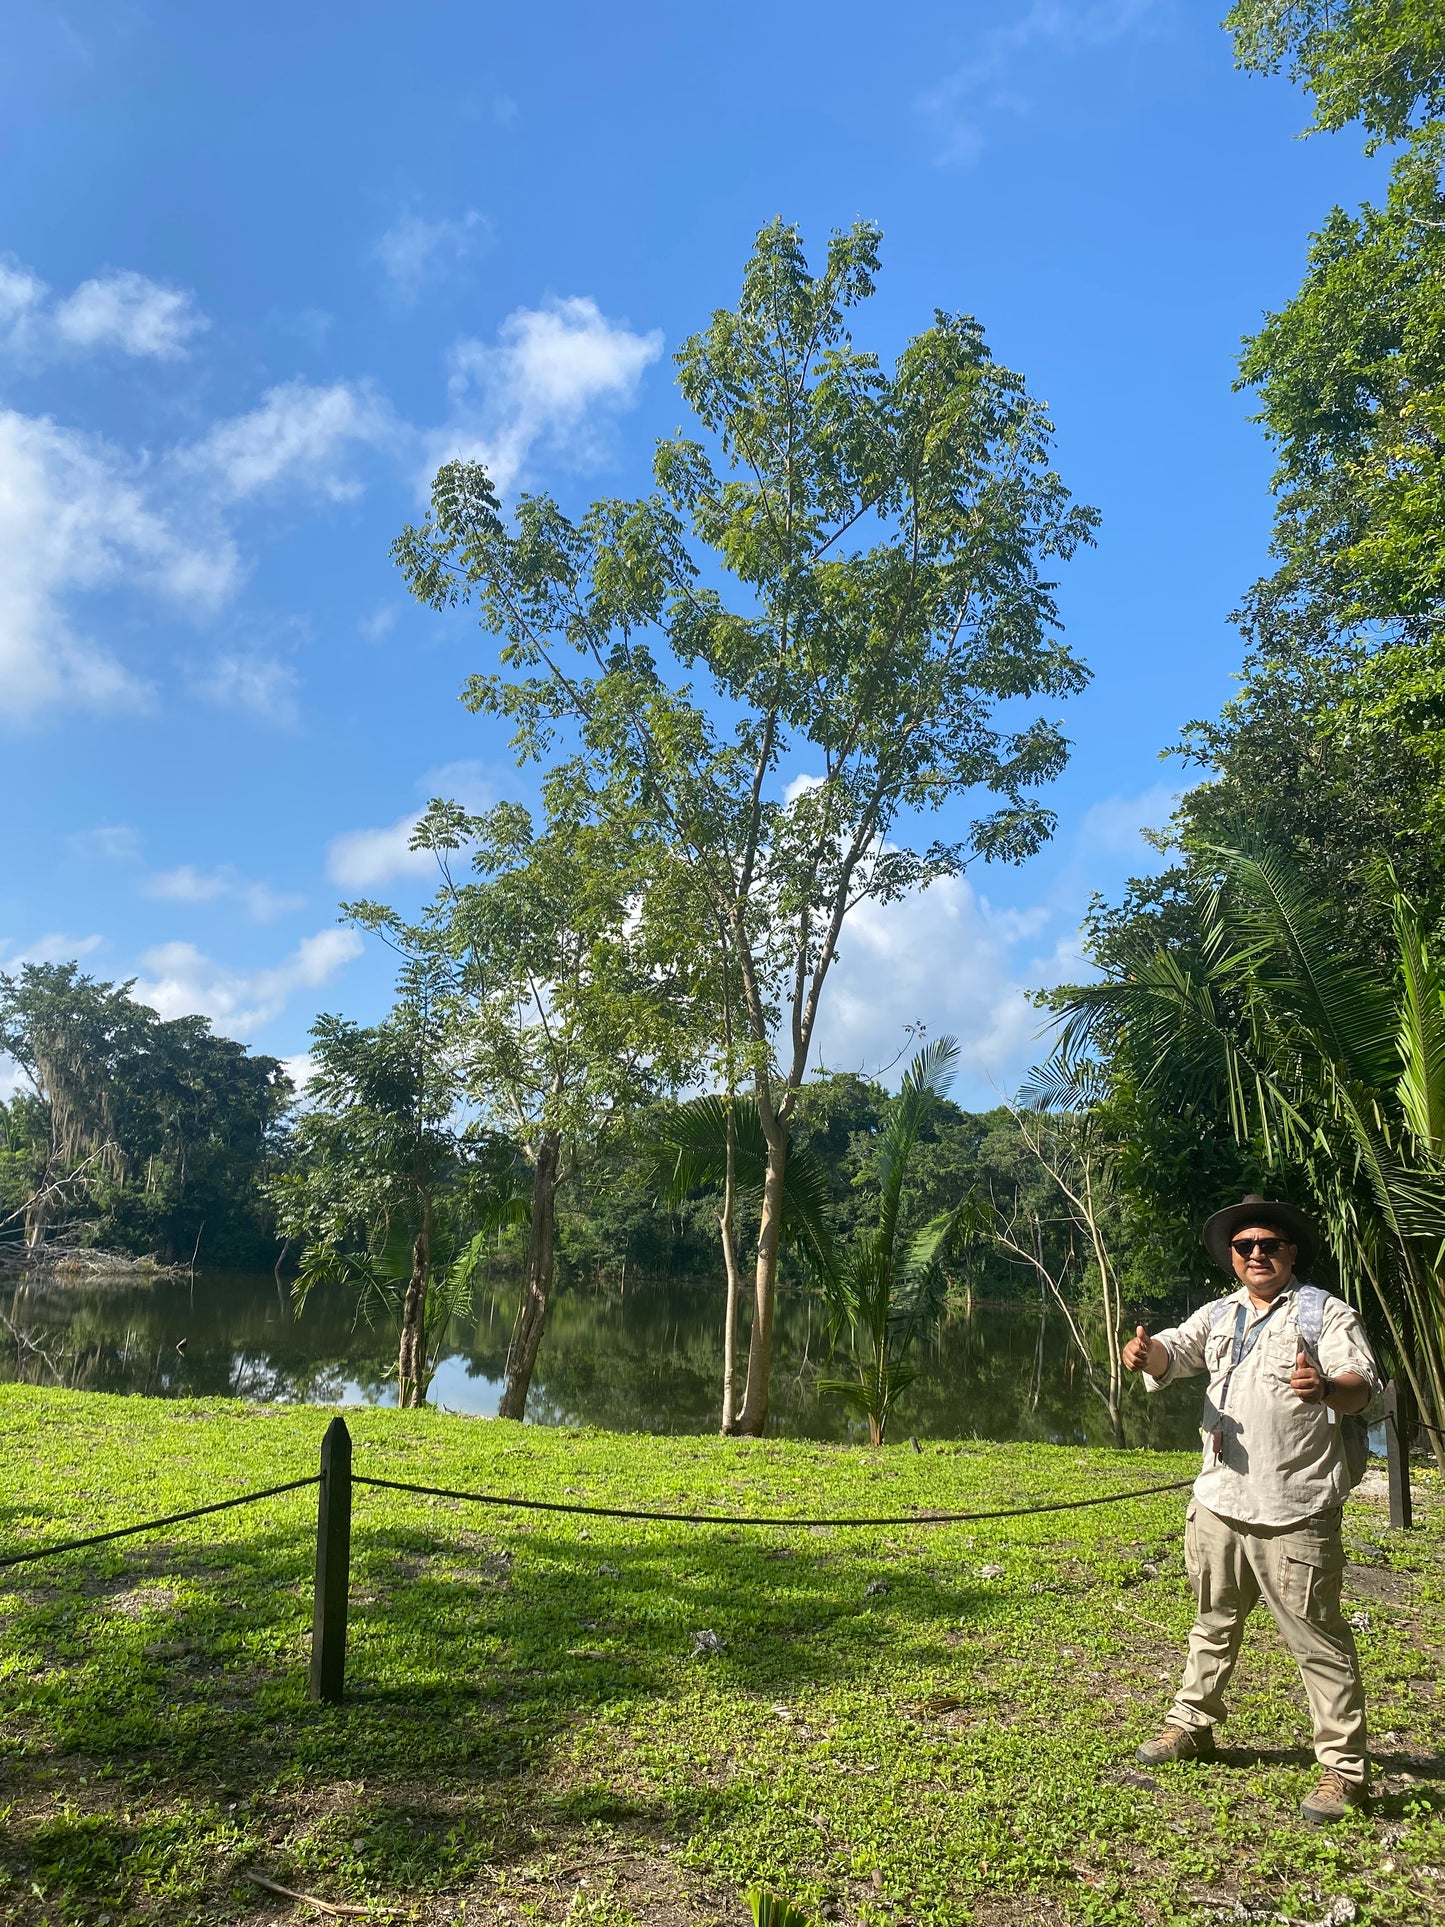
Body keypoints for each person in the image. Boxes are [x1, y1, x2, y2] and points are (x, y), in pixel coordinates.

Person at [1124, 1193, 1381, 1825]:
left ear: (1290, 1252)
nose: (1257, 1254)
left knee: (1316, 1638)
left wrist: (1323, 1386)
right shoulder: (1217, 1315)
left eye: (1269, 1245)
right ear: (1232, 1258)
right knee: (1212, 1620)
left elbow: (1361, 1387)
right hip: (1218, 1500)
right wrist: (1144, 1353)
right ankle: (1192, 1724)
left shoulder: (1326, 1315)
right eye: (1245, 1247)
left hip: (1294, 1504)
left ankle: (1343, 1770)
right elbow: (1173, 1355)